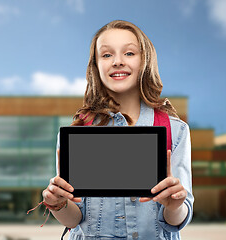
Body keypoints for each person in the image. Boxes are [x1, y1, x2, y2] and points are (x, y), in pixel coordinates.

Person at [41, 20, 193, 240]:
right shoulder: (77, 133)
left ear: (145, 61)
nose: (118, 62)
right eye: (106, 55)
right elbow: (75, 219)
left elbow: (177, 219)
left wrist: (174, 206)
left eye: (129, 53)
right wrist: (58, 204)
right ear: (96, 65)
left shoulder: (175, 131)